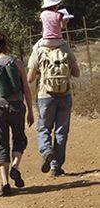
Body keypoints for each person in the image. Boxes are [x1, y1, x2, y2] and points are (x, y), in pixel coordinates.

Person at [0, 32, 34, 196]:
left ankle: (4, 183)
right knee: (19, 138)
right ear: (7, 45)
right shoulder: (16, 62)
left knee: (0, 142)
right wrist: (30, 111)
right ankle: (15, 167)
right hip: (17, 106)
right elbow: (26, 88)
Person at [27, 36, 80, 177]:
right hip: (65, 94)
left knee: (44, 128)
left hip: (45, 95)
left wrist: (40, 71)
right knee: (61, 131)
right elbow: (77, 73)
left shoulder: (38, 48)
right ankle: (56, 167)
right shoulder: (65, 47)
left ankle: (46, 151)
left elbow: (30, 78)